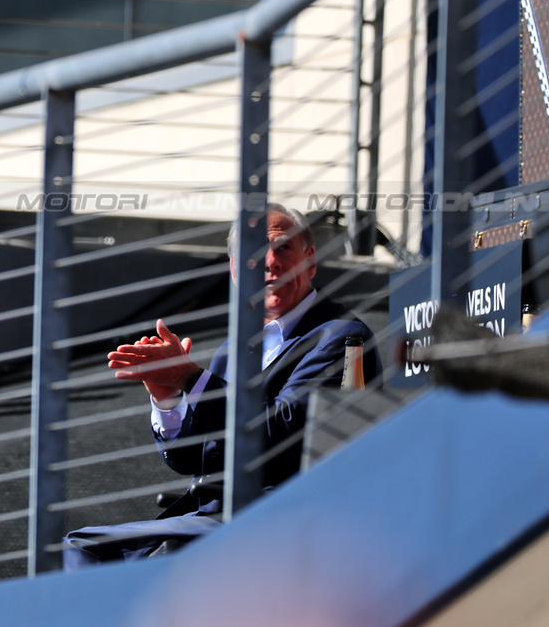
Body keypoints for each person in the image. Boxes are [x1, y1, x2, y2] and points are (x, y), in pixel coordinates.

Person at [63, 204, 380, 567]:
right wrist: (167, 399)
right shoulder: (234, 348)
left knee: (85, 548)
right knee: (81, 551)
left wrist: (190, 378)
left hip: (283, 519)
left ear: (310, 260)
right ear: (235, 271)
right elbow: (192, 460)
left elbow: (282, 432)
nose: (271, 263)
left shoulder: (341, 337)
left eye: (283, 248)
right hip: (219, 517)